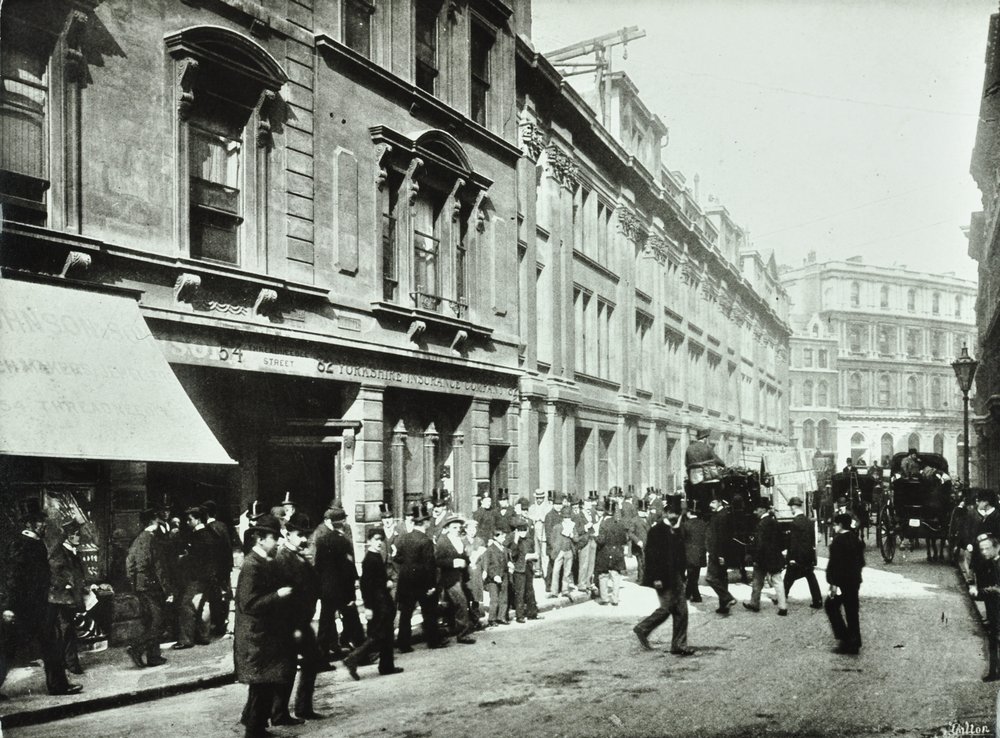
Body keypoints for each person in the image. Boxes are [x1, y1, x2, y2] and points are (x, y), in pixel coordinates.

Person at [1, 510, 81, 697]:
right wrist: (9, 607)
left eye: (42, 522)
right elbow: (13, 578)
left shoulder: (36, 543)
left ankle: (59, 686)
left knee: (51, 644)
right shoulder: (20, 544)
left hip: (38, 607)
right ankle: (58, 686)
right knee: (7, 649)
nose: (43, 525)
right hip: (23, 609)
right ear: (29, 524)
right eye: (39, 522)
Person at [234, 514, 294, 738]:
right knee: (263, 684)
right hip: (256, 637)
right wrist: (277, 595)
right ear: (260, 539)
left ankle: (255, 726)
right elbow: (249, 603)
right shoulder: (252, 565)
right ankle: (254, 732)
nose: (277, 542)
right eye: (273, 538)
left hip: (263, 635)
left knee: (264, 683)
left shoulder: (263, 561)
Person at [271, 512, 322, 725]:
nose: (303, 539)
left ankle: (302, 708)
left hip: (301, 621)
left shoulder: (298, 555)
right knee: (289, 665)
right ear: (287, 534)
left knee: (310, 660)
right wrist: (294, 625)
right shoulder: (283, 558)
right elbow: (285, 595)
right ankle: (280, 713)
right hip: (291, 623)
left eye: (305, 535)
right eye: (299, 534)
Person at [632, 499, 694, 656]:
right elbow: (652, 557)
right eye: (673, 513)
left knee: (681, 611)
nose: (676, 516)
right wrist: (657, 578)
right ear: (666, 513)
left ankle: (678, 645)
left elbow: (680, 554)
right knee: (667, 608)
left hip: (677, 577)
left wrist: (683, 575)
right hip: (663, 577)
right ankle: (643, 628)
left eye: (678, 513)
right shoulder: (657, 530)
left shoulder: (676, 530)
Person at [345, 528, 404, 680]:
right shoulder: (370, 559)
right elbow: (366, 585)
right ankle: (353, 658)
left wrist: (386, 582)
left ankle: (386, 666)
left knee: (387, 635)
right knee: (379, 635)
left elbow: (378, 581)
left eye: (381, 540)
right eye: (376, 539)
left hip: (383, 602)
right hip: (379, 604)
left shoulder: (376, 556)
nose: (379, 543)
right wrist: (368, 607)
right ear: (369, 540)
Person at [312, 504, 364, 660]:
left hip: (327, 589)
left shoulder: (322, 540)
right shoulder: (344, 542)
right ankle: (362, 654)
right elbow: (347, 570)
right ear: (342, 522)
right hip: (342, 590)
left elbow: (318, 566)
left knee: (325, 622)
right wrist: (351, 593)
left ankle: (321, 657)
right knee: (353, 619)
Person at [394, 503, 446, 652]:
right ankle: (433, 641)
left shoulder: (404, 538)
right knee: (429, 612)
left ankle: (403, 644)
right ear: (424, 523)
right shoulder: (426, 541)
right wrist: (431, 586)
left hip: (406, 582)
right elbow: (430, 565)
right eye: (428, 521)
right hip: (422, 583)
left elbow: (397, 558)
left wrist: (406, 569)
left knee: (406, 614)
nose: (429, 523)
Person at [126, 507, 172, 669]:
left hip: (141, 587)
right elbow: (159, 567)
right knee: (158, 621)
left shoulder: (138, 539)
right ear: (154, 521)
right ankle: (136, 648)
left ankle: (154, 656)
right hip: (152, 587)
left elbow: (129, 564)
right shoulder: (152, 539)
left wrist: (135, 584)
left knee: (151, 620)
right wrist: (167, 590)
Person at [47, 521, 88, 675]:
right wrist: (67, 584)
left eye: (78, 534)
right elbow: (54, 572)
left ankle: (67, 662)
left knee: (68, 628)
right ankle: (70, 663)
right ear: (68, 536)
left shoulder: (70, 550)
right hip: (63, 597)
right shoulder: (60, 551)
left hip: (70, 596)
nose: (78, 537)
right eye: (75, 535)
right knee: (67, 629)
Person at [173, 506, 215, 649]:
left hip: (197, 577)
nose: (187, 522)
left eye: (190, 519)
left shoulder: (199, 536)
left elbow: (197, 558)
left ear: (197, 520)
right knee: (203, 605)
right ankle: (203, 636)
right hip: (207, 577)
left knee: (187, 606)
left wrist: (184, 558)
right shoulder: (209, 533)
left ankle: (186, 640)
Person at [825, 513, 865, 654]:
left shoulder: (838, 542)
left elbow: (834, 565)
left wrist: (833, 584)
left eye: (835, 525)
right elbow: (861, 562)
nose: (834, 527)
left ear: (840, 525)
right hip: (854, 581)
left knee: (830, 606)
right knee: (852, 611)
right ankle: (855, 641)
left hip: (841, 583)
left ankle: (845, 638)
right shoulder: (856, 540)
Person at [435, 513, 476, 644]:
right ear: (447, 528)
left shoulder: (460, 541)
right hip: (449, 578)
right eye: (454, 527)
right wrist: (454, 563)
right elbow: (437, 561)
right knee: (461, 603)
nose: (457, 530)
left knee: (456, 604)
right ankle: (463, 634)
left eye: (459, 527)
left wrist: (467, 560)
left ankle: (452, 629)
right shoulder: (443, 542)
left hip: (460, 577)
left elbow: (464, 558)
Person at [743, 499, 788, 616]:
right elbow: (783, 541)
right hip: (774, 557)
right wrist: (777, 552)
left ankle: (754, 604)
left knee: (757, 581)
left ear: (762, 509)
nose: (754, 512)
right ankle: (783, 607)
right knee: (778, 582)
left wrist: (756, 558)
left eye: (756, 509)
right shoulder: (774, 522)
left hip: (762, 558)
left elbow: (760, 544)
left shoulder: (761, 524)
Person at [783, 496, 823, 610]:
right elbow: (812, 540)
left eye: (791, 507)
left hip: (797, 557)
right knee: (810, 577)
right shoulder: (808, 522)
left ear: (793, 507)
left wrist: (791, 557)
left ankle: (782, 597)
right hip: (808, 556)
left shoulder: (795, 523)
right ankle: (818, 600)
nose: (790, 509)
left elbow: (794, 543)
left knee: (788, 577)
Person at [203, 500, 235, 637]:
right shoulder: (222, 526)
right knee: (225, 597)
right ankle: (222, 624)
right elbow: (227, 548)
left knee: (214, 598)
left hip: (214, 570)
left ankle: (217, 626)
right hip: (224, 568)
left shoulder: (208, 528)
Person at [704, 498, 737, 614]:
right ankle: (724, 606)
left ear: (720, 503)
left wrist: (721, 555)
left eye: (713, 502)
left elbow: (723, 537)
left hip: (718, 553)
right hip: (719, 553)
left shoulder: (722, 516)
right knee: (722, 578)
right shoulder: (719, 514)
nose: (710, 504)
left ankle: (728, 598)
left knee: (710, 578)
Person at [594, 499, 627, 606]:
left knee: (603, 576)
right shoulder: (619, 523)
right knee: (616, 576)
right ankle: (615, 599)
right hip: (617, 552)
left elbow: (601, 540)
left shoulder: (603, 524)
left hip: (604, 552)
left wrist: (596, 538)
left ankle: (604, 598)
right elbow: (624, 540)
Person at [977, 534, 1000, 681]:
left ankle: (994, 672)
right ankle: (994, 672)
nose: (984, 552)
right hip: (994, 608)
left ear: (997, 547)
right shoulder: (992, 562)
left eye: (987, 548)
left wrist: (982, 591)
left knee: (995, 639)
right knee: (993, 639)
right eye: (982, 549)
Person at [509, 517, 540, 621]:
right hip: (519, 569)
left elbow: (533, 553)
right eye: (520, 530)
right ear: (517, 531)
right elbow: (513, 555)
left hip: (528, 568)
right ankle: (520, 615)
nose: (523, 533)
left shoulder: (529, 540)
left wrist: (534, 557)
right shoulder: (514, 540)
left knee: (530, 591)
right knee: (520, 593)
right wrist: (516, 541)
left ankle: (532, 613)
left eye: (524, 530)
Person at [484, 528, 511, 626]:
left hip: (504, 575)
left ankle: (501, 617)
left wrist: (509, 564)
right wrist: (494, 575)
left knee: (504, 597)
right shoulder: (490, 549)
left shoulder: (504, 548)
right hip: (493, 578)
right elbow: (488, 565)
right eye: (502, 536)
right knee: (494, 599)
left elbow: (506, 560)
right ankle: (492, 619)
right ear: (495, 537)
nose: (504, 538)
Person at [681, 508, 707, 603]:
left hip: (689, 554)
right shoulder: (703, 524)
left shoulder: (686, 525)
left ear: (689, 513)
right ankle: (688, 594)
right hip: (700, 553)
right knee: (695, 575)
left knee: (691, 576)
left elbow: (681, 539)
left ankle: (696, 596)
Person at [527, 490, 551, 577]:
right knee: (536, 550)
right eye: (537, 498)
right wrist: (535, 518)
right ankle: (537, 569)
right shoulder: (532, 507)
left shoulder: (548, 507)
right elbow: (529, 517)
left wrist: (541, 518)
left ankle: (545, 571)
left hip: (544, 532)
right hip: (534, 532)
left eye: (541, 498)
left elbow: (547, 518)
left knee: (544, 552)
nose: (539, 500)